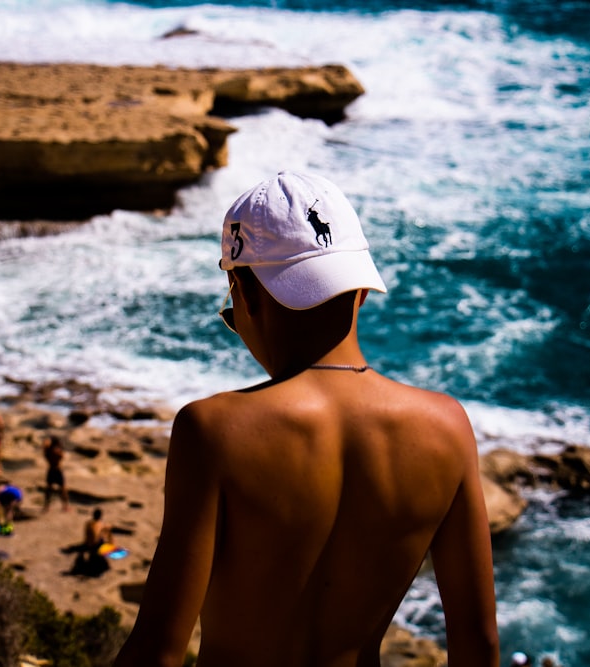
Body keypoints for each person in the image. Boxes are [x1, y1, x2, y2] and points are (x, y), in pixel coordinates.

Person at [114, 171, 499, 666]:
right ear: (360, 291)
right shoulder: (446, 426)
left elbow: (156, 651)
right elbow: (478, 644)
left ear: (244, 293)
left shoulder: (214, 431)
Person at [42, 434, 69, 512]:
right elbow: (61, 456)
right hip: (58, 470)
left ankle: (46, 506)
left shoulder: (48, 450)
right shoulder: (56, 450)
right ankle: (65, 506)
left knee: (49, 489)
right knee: (63, 488)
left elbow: (45, 454)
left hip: (51, 469)